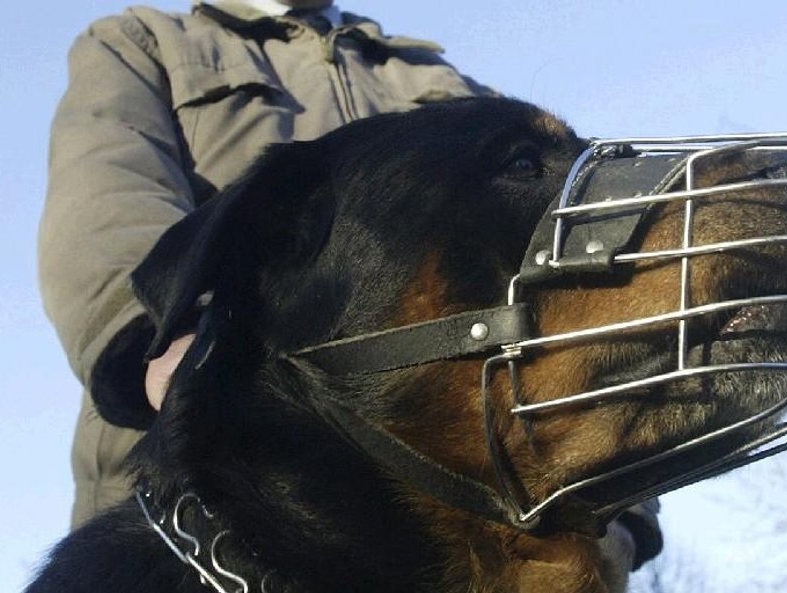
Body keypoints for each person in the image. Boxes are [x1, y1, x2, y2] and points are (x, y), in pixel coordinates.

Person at [38, 0, 661, 572]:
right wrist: (156, 337)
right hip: (209, 498)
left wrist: (626, 507)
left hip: (466, 518)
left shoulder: (429, 72)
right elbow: (104, 198)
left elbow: (572, 262)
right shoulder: (146, 41)